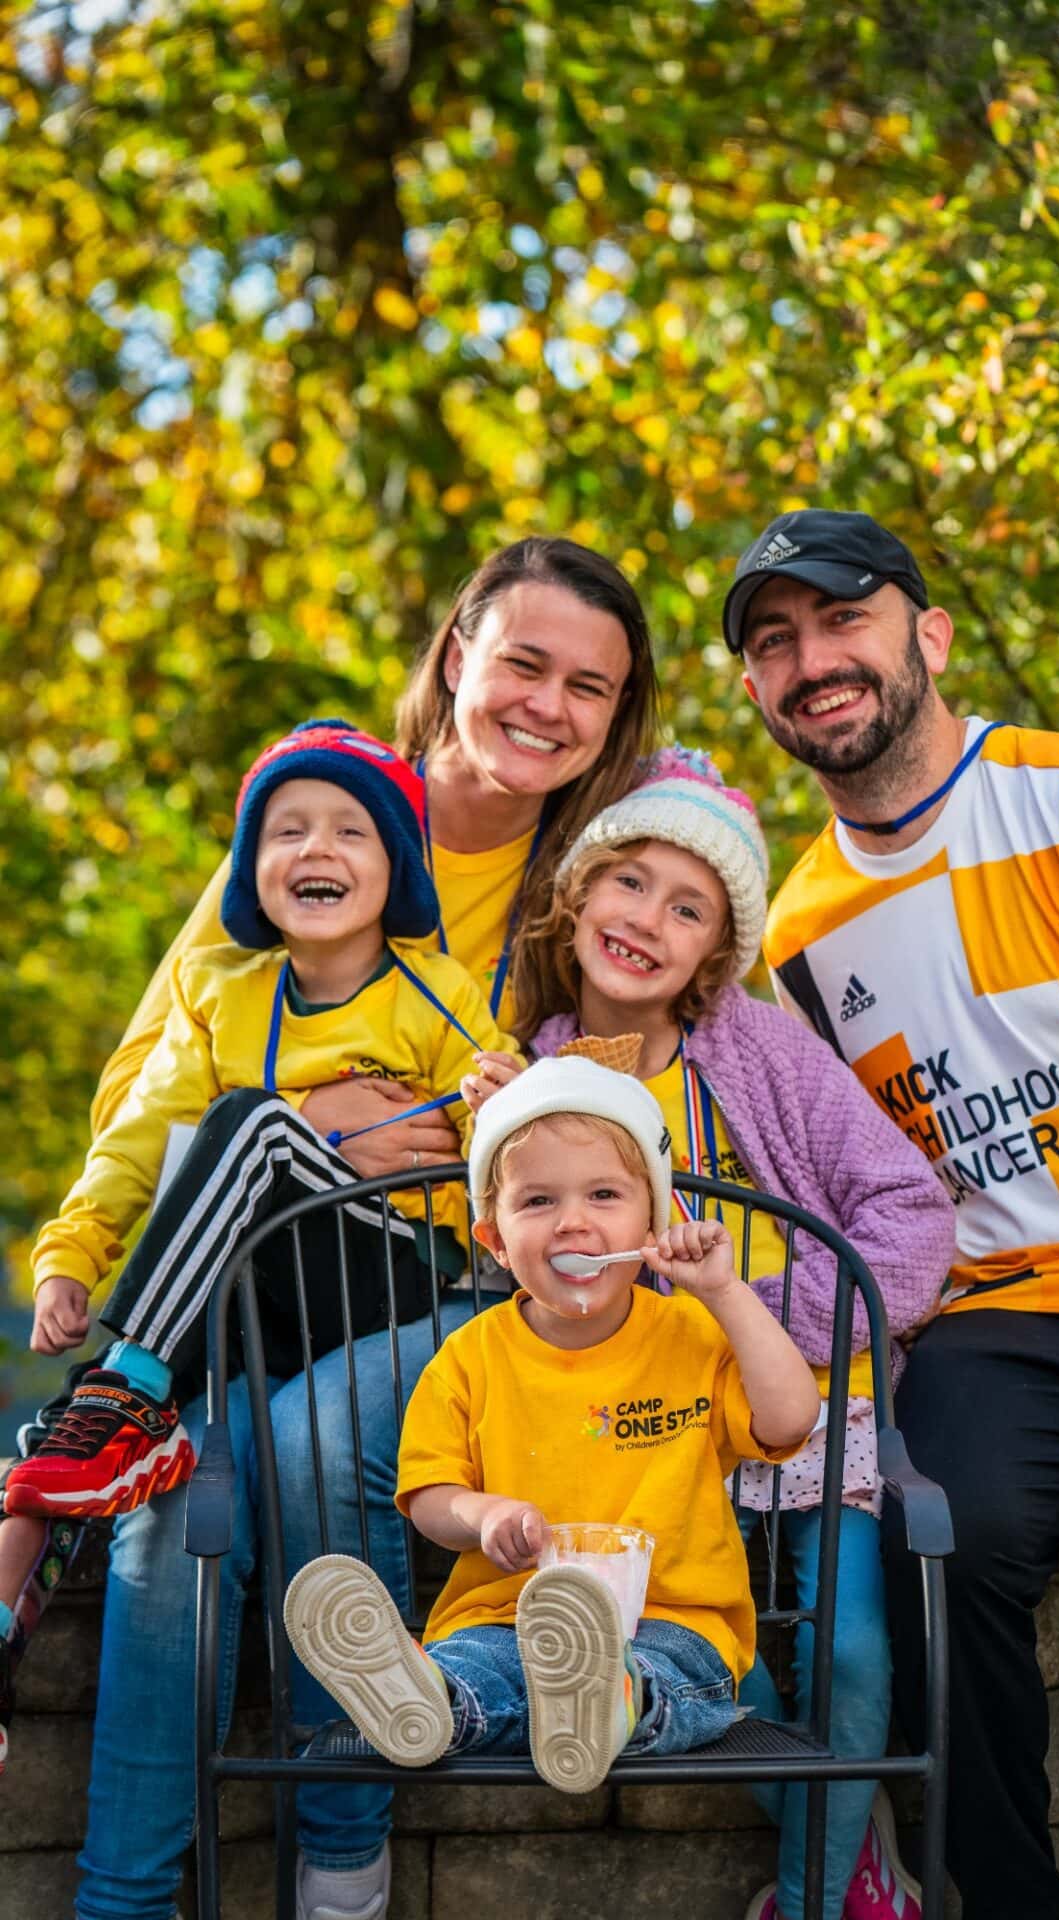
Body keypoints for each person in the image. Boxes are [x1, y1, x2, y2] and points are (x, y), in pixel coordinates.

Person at [48, 538, 660, 1920]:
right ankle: (125, 1896)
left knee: (290, 1441)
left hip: (438, 1286)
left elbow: (598, 1109)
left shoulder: (600, 877)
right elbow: (156, 1086)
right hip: (251, 1271)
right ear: (456, 654)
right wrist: (299, 1129)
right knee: (171, 1495)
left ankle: (339, 1853)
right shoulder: (313, 820)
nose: (547, 706)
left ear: (618, 720)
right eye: (522, 663)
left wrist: (442, 1135)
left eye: (590, 688)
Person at [723, 507, 1059, 1920]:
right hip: (1007, 1323)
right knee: (931, 1548)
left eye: (842, 618)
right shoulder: (789, 936)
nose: (813, 661)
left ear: (929, 632)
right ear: (754, 693)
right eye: (774, 643)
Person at [464, 748, 954, 1920]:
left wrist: (758, 1317)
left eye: (689, 909)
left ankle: (815, 1896)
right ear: (580, 895)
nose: (648, 920)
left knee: (842, 1655)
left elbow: (913, 1222)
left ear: (716, 953)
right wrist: (498, 1145)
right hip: (641, 1438)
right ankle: (849, 1847)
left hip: (801, 1411)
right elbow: (524, 1294)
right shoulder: (532, 1077)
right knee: (703, 1667)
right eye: (629, 884)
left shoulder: (764, 1052)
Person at [6, 719, 509, 1523]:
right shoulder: (218, 993)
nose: (316, 849)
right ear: (251, 870)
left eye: (351, 831)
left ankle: (124, 1386)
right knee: (98, 1452)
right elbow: (142, 1133)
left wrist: (499, 1107)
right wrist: (70, 1251)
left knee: (255, 1124)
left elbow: (500, 1141)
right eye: (288, 832)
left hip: (383, 1271)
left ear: (396, 870)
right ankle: (33, 1562)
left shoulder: (435, 992)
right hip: (254, 1289)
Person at [284, 1055, 820, 1795]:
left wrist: (725, 1293)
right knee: (478, 1667)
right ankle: (427, 1700)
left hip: (676, 1620)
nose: (573, 1220)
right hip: (504, 1616)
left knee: (669, 1678)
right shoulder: (468, 1356)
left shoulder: (693, 1334)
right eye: (537, 1201)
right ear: (496, 1241)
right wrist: (485, 1515)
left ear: (651, 1222)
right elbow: (431, 1497)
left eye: (604, 1194)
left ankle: (612, 1700)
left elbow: (791, 1417)